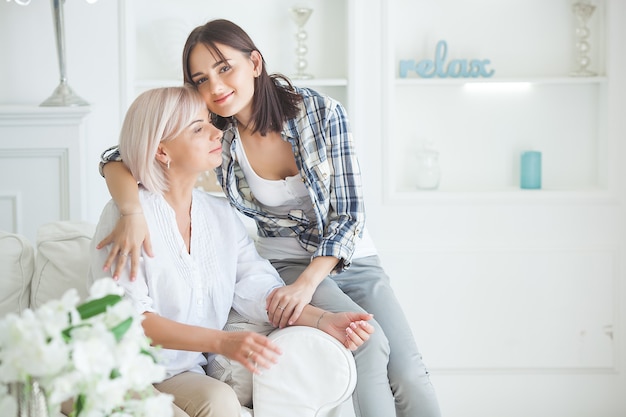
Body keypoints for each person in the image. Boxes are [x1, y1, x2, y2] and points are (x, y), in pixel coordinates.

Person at [98, 19, 440, 417]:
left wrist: (311, 283)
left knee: (410, 374)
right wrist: (130, 211)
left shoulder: (320, 113)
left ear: (255, 63)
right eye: (201, 79)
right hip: (287, 262)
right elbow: (121, 156)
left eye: (225, 68)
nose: (215, 87)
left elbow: (350, 213)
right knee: (368, 343)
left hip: (353, 256)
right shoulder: (216, 135)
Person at [90, 85, 374, 417]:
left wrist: (324, 319)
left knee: (221, 401)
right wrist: (222, 342)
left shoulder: (221, 215)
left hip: (181, 373)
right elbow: (129, 321)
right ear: (163, 152)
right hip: (120, 374)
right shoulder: (127, 217)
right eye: (199, 128)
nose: (217, 132)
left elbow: (257, 287)